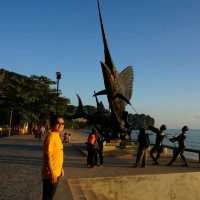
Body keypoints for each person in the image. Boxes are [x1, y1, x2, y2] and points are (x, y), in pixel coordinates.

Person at [42, 114, 65, 200]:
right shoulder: (51, 136)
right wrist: (52, 173)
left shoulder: (57, 135)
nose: (60, 125)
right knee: (47, 197)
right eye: (58, 122)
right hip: (51, 174)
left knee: (50, 196)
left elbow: (58, 153)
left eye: (62, 123)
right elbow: (48, 156)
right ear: (53, 124)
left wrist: (61, 168)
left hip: (56, 172)